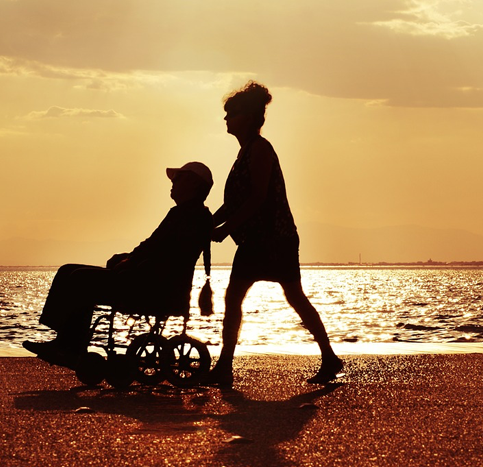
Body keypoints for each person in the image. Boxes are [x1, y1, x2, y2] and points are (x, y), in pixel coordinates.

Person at [207, 81, 343, 386]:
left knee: (292, 297)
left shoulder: (260, 150)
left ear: (250, 117)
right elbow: (232, 204)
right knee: (238, 298)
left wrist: (225, 229)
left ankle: (328, 357)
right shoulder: (243, 153)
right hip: (254, 240)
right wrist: (207, 224)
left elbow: (257, 197)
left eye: (232, 114)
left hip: (274, 239)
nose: (226, 119)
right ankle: (225, 366)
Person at [23, 162, 214, 368]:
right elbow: (153, 246)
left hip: (151, 286)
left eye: (178, 178)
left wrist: (130, 262)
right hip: (144, 277)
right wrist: (128, 258)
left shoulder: (192, 217)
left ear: (193, 185)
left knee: (79, 278)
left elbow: (165, 255)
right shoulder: (182, 213)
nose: (172, 183)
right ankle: (64, 341)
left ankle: (69, 347)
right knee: (67, 270)